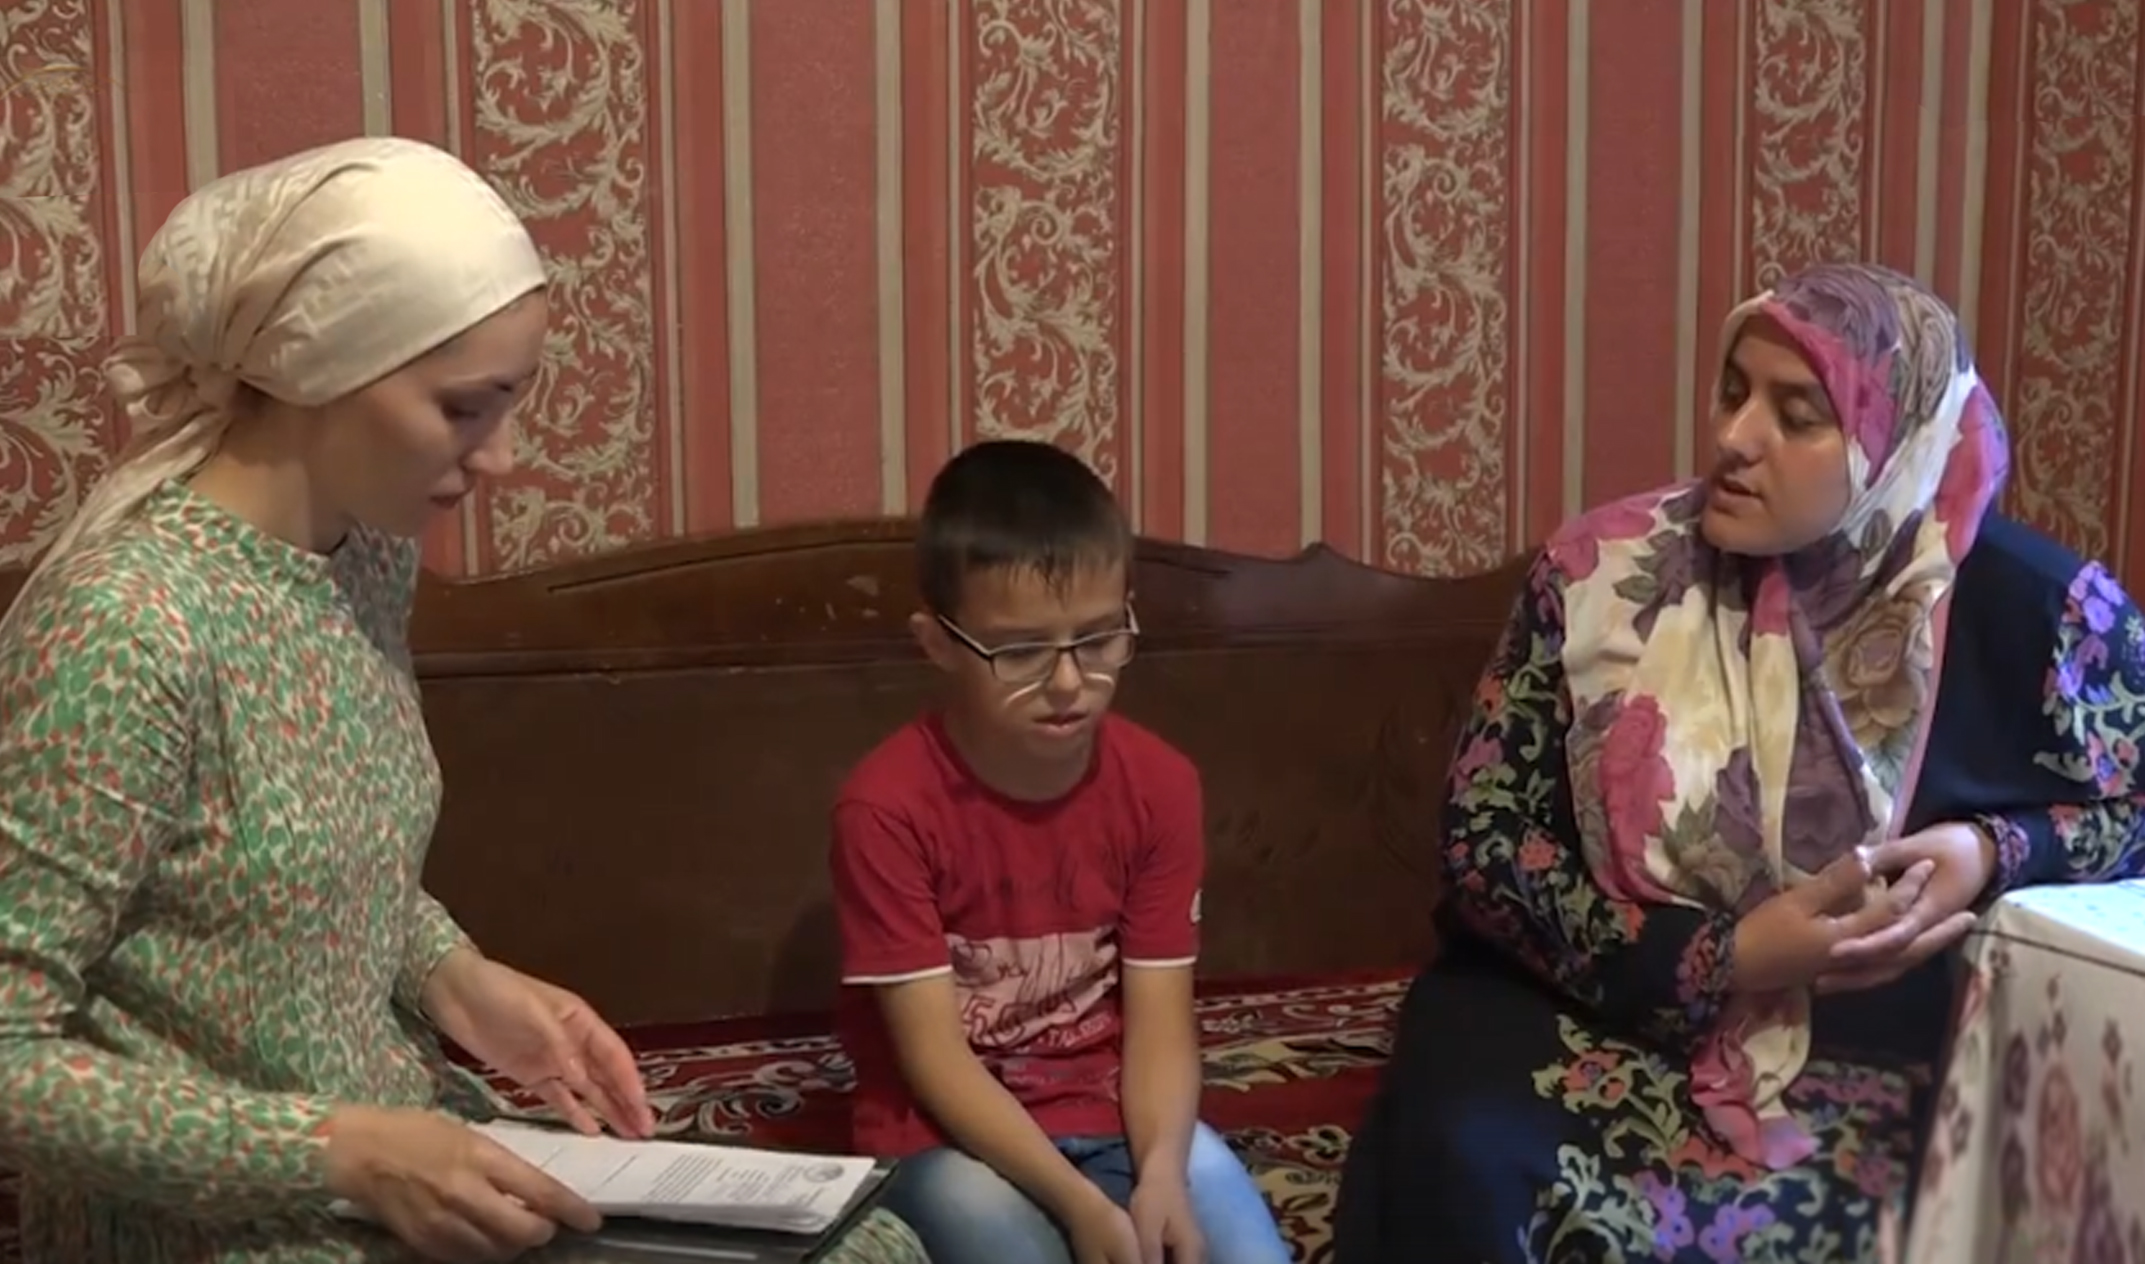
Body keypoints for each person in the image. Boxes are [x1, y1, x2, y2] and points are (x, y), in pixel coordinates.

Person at [0, 137, 926, 1264]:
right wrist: (337, 1148)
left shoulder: (365, 558)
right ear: (320, 372)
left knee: (870, 1247)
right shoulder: (128, 627)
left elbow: (319, 867)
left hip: (400, 1163)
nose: (501, 458)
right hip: (226, 1220)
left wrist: (457, 977)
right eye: (464, 409)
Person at [1330, 262, 2145, 1263]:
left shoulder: (2043, 613)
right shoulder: (1600, 575)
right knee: (1470, 1168)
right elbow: (1483, 844)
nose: (1734, 437)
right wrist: (1727, 957)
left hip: (1885, 1041)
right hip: (1589, 1001)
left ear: (1900, 443)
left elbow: (2136, 806)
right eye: (1732, 392)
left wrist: (1994, 849)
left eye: (1796, 415)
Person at [828, 439, 1294, 1264]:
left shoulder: (1160, 785)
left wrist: (1160, 1175)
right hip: (945, 1136)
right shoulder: (886, 806)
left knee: (1241, 1246)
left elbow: (1160, 1023)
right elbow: (933, 1059)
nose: (1070, 682)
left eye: (1099, 639)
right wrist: (1081, 1205)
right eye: (1020, 652)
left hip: (1111, 1111)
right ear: (936, 643)